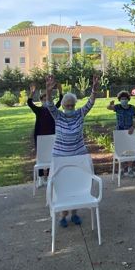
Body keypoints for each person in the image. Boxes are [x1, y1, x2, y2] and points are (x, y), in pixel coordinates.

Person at [43, 73, 100, 228]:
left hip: (78, 156)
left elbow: (90, 103)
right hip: (61, 157)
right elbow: (49, 104)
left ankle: (74, 214)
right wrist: (49, 91)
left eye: (71, 105)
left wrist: (94, 90)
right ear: (62, 106)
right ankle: (63, 214)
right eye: (67, 105)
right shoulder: (58, 116)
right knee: (62, 185)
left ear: (74, 105)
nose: (69, 108)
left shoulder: (80, 114)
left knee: (76, 184)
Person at [28, 82, 61, 182]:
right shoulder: (38, 110)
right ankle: (41, 176)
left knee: (52, 154)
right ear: (41, 101)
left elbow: (61, 101)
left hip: (52, 135)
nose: (46, 101)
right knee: (41, 155)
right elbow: (30, 103)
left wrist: (60, 91)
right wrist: (32, 93)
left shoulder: (53, 109)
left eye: (48, 99)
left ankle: (51, 175)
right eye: (44, 99)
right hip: (40, 135)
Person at [107, 90, 135, 176]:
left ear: (128, 99)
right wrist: (110, 104)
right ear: (119, 99)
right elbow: (109, 107)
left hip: (130, 132)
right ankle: (121, 169)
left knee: (131, 151)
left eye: (125, 98)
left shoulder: (132, 108)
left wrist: (133, 127)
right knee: (120, 151)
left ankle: (130, 169)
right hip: (119, 132)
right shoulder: (117, 107)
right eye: (122, 99)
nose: (124, 100)